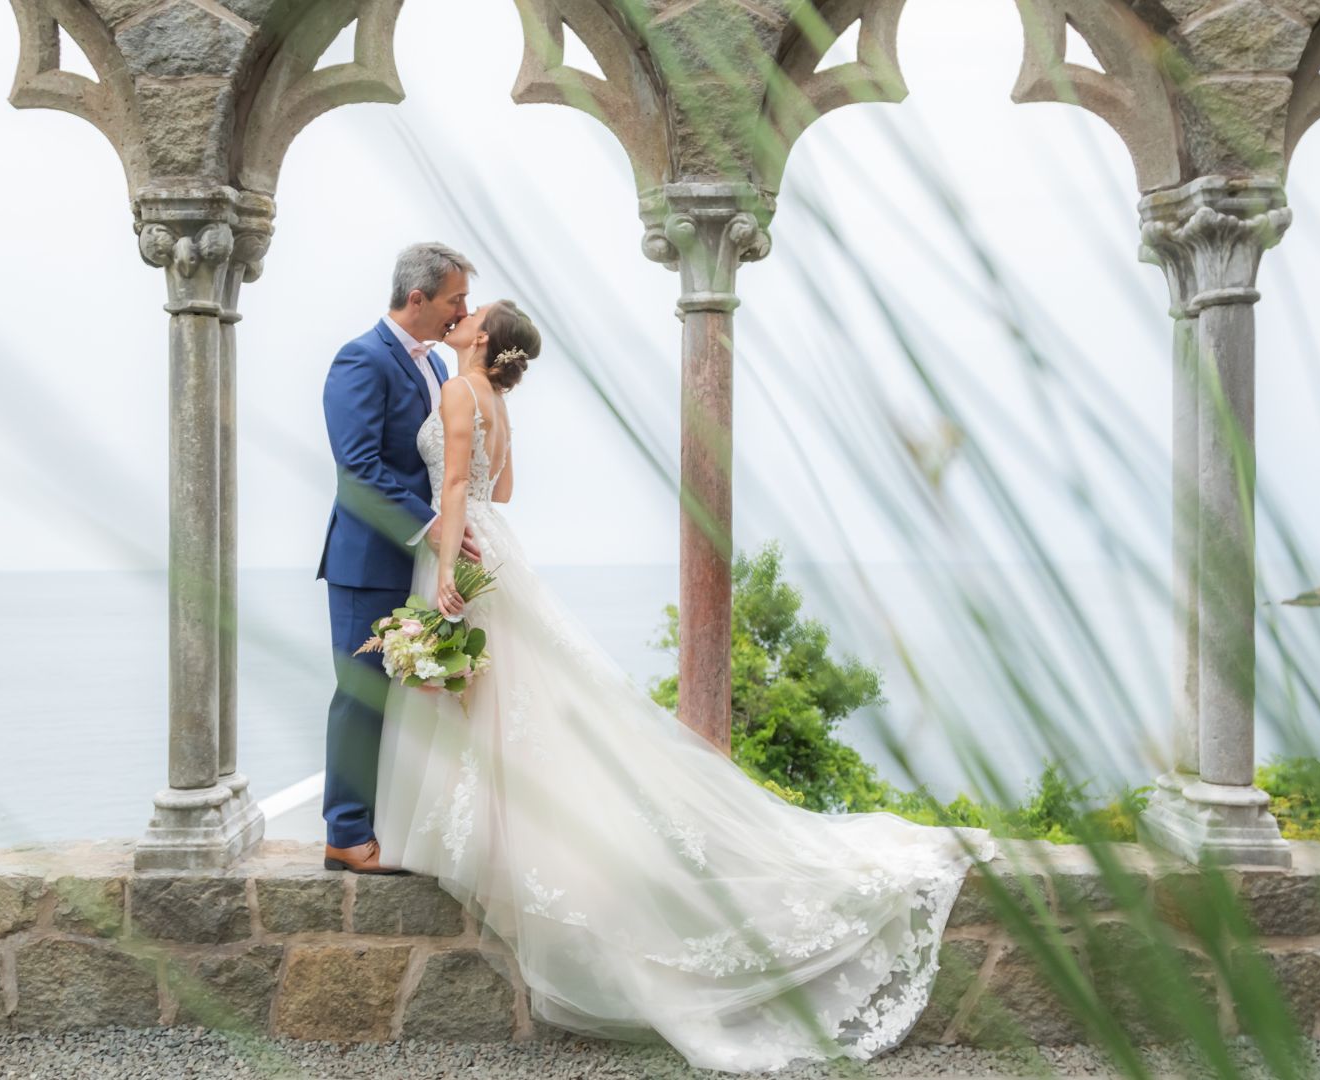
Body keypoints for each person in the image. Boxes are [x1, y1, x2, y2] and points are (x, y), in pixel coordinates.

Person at [370, 297, 996, 1072]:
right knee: (517, 698)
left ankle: (491, 842)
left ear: (485, 342)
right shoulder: (494, 400)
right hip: (500, 547)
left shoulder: (461, 391)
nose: (463, 317)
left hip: (461, 550)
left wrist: (442, 573)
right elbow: (507, 494)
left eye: (475, 315)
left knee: (490, 696)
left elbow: (462, 486)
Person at [315, 242, 482, 875]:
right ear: (418, 299)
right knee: (361, 695)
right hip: (368, 561)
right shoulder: (361, 359)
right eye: (454, 299)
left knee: (411, 696)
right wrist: (433, 526)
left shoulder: (438, 367)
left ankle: (393, 822)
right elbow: (357, 469)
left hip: (416, 561)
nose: (460, 311)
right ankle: (346, 834)